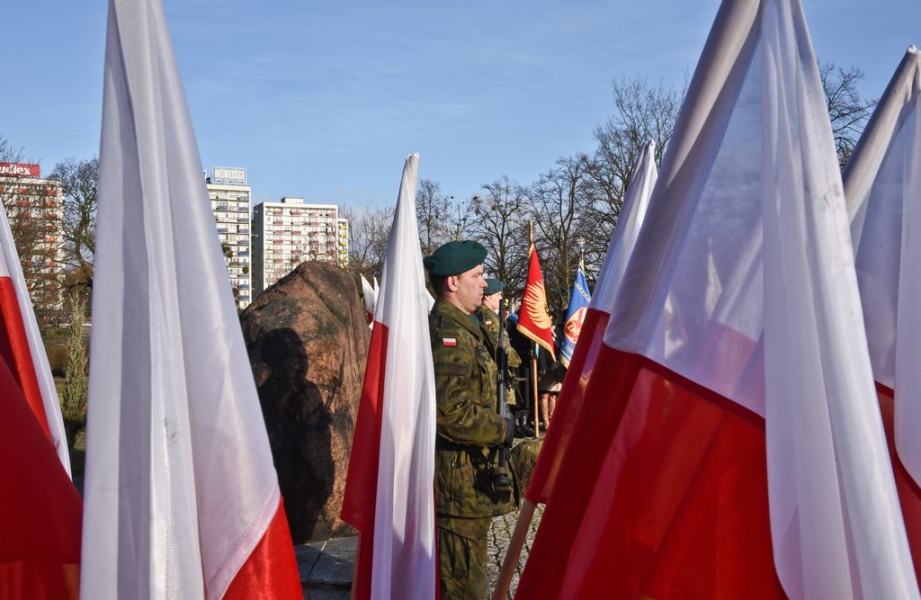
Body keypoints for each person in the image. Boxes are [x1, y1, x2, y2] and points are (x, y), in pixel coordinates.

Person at [424, 242, 516, 600]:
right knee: (464, 592)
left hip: (471, 479)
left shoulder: (466, 327)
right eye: (476, 275)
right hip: (456, 487)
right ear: (452, 282)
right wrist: (502, 429)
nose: (484, 283)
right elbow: (449, 412)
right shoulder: (447, 333)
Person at [476, 278, 522, 409]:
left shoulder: (487, 315)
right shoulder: (488, 317)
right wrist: (518, 359)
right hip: (496, 379)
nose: (501, 298)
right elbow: (500, 348)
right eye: (498, 295)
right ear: (487, 297)